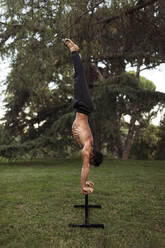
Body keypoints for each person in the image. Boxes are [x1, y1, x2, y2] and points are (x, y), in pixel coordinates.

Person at [64, 38, 103, 194]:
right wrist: (83, 187)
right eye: (91, 161)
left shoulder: (88, 146)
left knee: (77, 79)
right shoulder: (88, 147)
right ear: (93, 156)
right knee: (79, 77)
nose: (88, 162)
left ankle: (74, 52)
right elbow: (85, 166)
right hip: (84, 106)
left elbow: (86, 167)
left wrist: (86, 180)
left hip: (83, 108)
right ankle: (74, 50)